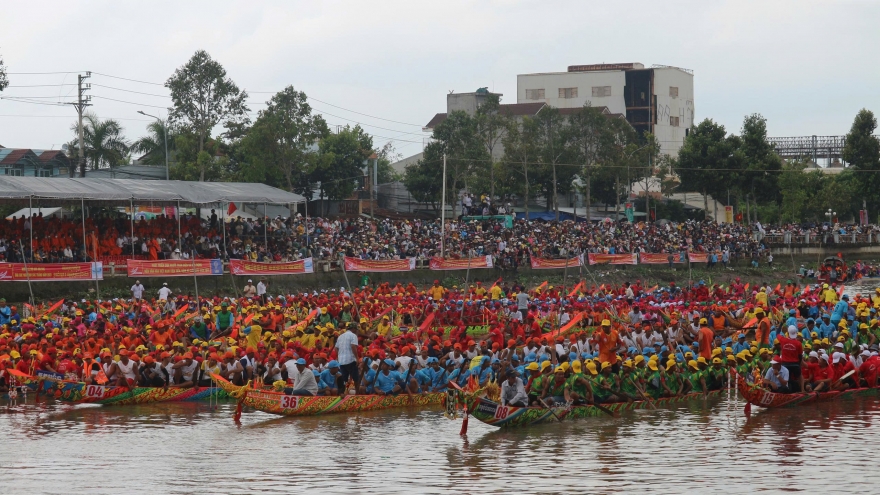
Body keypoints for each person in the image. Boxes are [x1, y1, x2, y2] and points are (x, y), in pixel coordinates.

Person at [335, 323, 359, 395]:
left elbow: (336, 348)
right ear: (354, 329)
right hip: (350, 359)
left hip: (342, 361)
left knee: (344, 379)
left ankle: (343, 393)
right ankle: (357, 394)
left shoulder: (340, 336)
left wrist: (338, 356)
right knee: (356, 378)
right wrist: (357, 358)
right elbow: (353, 346)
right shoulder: (353, 335)